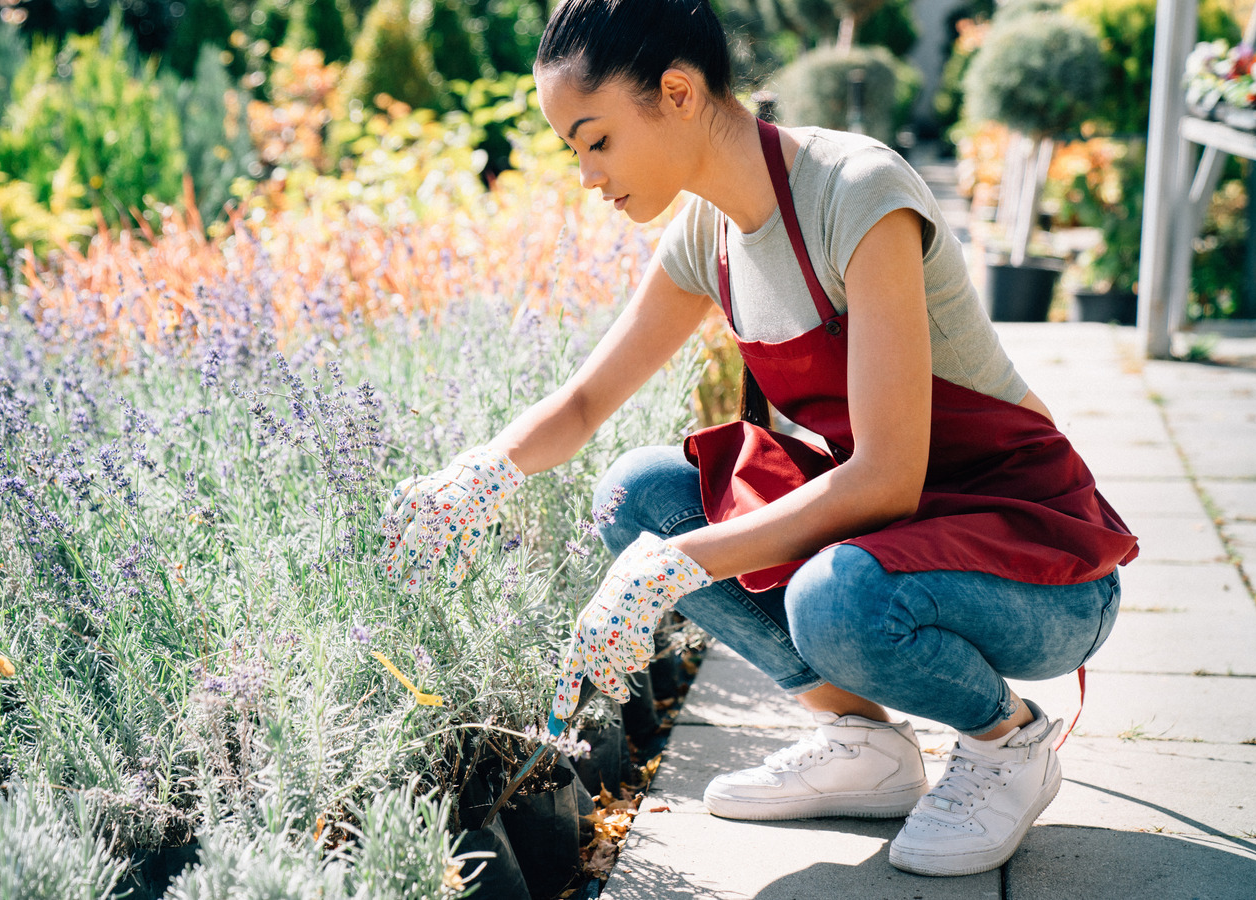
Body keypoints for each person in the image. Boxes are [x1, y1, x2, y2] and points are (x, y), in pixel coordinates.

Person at [376, 0, 1138, 878]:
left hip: (1041, 566)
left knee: (828, 598)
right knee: (640, 496)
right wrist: (481, 470)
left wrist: (681, 564)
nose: (587, 175)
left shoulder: (855, 192)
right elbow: (587, 403)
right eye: (572, 150)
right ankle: (862, 740)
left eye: (597, 140)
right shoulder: (709, 235)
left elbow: (888, 477)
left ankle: (1009, 741)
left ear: (677, 92)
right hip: (899, 545)